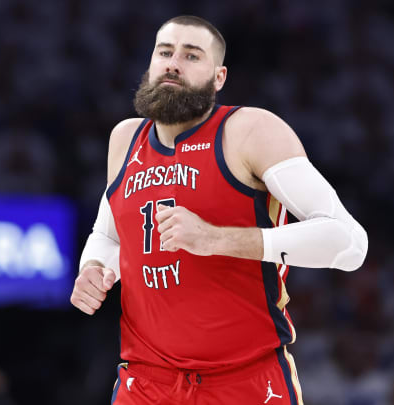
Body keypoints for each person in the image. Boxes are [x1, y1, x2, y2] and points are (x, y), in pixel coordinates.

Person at [71, 15, 368, 405]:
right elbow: (108, 234)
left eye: (192, 55)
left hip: (243, 380)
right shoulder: (125, 138)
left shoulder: (250, 130)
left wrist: (215, 238)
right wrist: (93, 267)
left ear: (219, 77)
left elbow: (349, 243)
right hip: (144, 381)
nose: (174, 63)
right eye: (165, 52)